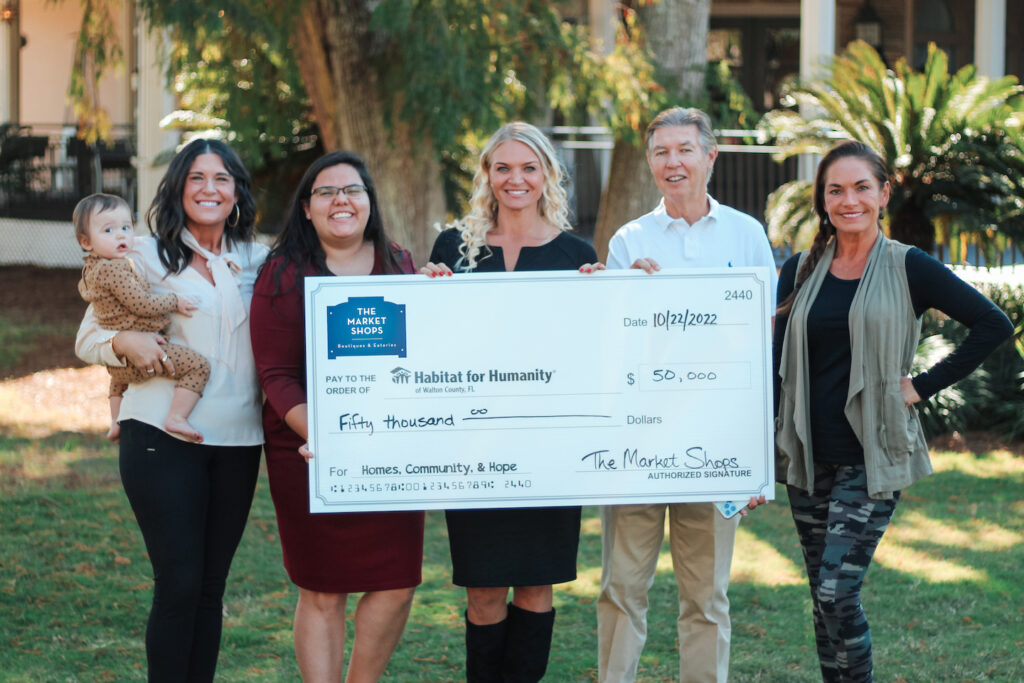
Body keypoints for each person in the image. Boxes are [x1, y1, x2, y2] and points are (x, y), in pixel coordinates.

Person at [773, 140, 1013, 682]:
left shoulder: (910, 266)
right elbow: (773, 362)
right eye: (835, 189)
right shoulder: (799, 270)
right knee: (821, 600)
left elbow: (992, 324)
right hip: (808, 459)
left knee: (837, 593)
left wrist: (922, 385)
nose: (848, 199)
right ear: (822, 200)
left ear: (883, 194)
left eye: (861, 187)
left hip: (872, 456)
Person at [75, 139, 267, 682]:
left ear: (237, 192)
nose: (210, 189)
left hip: (239, 440)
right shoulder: (141, 253)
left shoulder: (260, 257)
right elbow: (88, 337)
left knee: (210, 589)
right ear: (179, 189)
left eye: (222, 178)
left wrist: (417, 281)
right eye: (197, 178)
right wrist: (123, 344)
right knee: (180, 582)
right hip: (160, 434)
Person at [597, 107, 776, 683]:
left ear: (710, 156)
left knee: (707, 597)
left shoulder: (747, 235)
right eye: (660, 153)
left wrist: (756, 460)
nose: (672, 162)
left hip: (714, 444)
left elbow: (762, 344)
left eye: (683, 150)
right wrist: (626, 297)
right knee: (622, 588)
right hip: (639, 443)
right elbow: (611, 346)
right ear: (650, 163)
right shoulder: (630, 240)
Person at [421, 121, 601, 682]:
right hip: (475, 448)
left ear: (547, 174)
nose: (515, 179)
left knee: (536, 585)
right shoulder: (456, 247)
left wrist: (608, 298)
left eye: (528, 167)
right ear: (487, 175)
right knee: (482, 590)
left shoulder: (578, 254)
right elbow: (432, 343)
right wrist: (426, 292)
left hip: (549, 448)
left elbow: (594, 351)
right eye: (503, 167)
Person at [249, 150, 425, 683]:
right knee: (322, 589)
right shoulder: (282, 273)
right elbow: (275, 373)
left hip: (389, 452)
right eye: (325, 192)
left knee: (396, 584)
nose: (340, 200)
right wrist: (329, 435)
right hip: (308, 450)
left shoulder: (401, 264)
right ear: (306, 209)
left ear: (369, 201)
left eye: (352, 190)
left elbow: (425, 357)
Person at [73, 192, 210, 444]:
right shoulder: (115, 269)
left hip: (120, 365)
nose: (121, 235)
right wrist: (174, 301)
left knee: (117, 381)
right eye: (109, 230)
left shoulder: (92, 269)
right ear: (86, 242)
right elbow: (141, 303)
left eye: (126, 226)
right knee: (199, 366)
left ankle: (115, 422)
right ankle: (177, 416)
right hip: (148, 351)